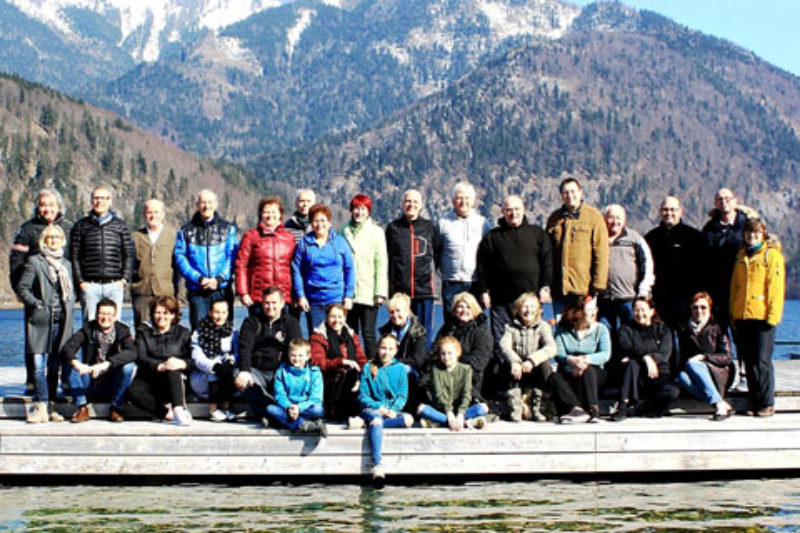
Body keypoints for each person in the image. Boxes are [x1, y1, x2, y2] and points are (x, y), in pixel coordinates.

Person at [10, 188, 72, 395]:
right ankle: (31, 383)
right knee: (34, 341)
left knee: (59, 344)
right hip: (35, 295)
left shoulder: (68, 228)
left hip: (61, 296)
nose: (47, 209)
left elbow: (73, 262)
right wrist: (24, 294)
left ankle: (58, 385)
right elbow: (16, 263)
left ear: (59, 207)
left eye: (51, 205)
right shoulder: (27, 229)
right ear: (38, 206)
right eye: (43, 204)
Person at [476, 195, 552, 350]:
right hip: (501, 300)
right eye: (509, 210)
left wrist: (546, 286)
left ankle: (531, 371)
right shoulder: (493, 237)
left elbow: (547, 262)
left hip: (531, 300)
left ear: (523, 210)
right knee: (502, 343)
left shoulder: (537, 234)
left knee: (532, 343)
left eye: (517, 209)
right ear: (503, 212)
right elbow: (483, 266)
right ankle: (503, 372)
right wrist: (484, 291)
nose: (513, 213)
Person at [17, 224, 75, 423]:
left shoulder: (66, 264)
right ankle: (41, 404)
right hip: (41, 321)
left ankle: (51, 406)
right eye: (49, 237)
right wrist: (36, 304)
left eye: (57, 237)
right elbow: (22, 287)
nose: (53, 240)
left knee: (54, 366)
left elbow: (70, 290)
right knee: (38, 365)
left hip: (62, 320)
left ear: (62, 240)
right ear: (44, 240)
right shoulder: (35, 262)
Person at [701, 188, 756, 390]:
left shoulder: (746, 226)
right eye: (719, 199)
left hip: (741, 292)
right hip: (717, 293)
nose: (724, 202)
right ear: (715, 203)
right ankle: (724, 376)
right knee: (720, 336)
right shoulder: (709, 230)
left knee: (743, 337)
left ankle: (745, 375)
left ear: (735, 201)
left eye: (727, 199)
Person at [730, 218, 785, 417]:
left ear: (762, 234)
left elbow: (776, 289)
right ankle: (755, 402)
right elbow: (735, 289)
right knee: (749, 361)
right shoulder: (741, 256)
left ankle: (767, 403)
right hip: (743, 316)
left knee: (762, 361)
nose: (751, 236)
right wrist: (734, 313)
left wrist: (773, 316)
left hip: (763, 317)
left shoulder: (771, 256)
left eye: (755, 233)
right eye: (747, 232)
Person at [60, 299, 137, 423]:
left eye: (109, 314)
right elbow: (67, 348)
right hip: (91, 380)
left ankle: (116, 407)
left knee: (129, 367)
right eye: (102, 313)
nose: (105, 318)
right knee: (69, 364)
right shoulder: (88, 329)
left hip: (112, 380)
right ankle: (82, 407)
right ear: (96, 315)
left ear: (115, 316)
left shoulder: (123, 331)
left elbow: (132, 352)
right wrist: (78, 364)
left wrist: (107, 364)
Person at [174, 189, 239, 330]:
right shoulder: (186, 230)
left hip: (222, 288)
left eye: (210, 202)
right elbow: (180, 258)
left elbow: (232, 256)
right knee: (199, 330)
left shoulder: (228, 229)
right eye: (203, 202)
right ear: (197, 205)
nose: (206, 206)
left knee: (225, 330)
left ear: (215, 204)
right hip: (197, 290)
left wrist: (219, 278)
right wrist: (199, 278)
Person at [235, 286, 302, 419]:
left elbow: (296, 350)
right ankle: (273, 409)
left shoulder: (291, 323)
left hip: (280, 372)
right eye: (266, 303)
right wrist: (244, 370)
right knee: (238, 375)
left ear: (282, 304)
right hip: (257, 372)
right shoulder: (251, 322)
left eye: (274, 303)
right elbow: (245, 347)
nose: (270, 307)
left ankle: (268, 413)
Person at [127, 296, 193, 425]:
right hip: (149, 377)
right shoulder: (143, 331)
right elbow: (141, 357)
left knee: (172, 366)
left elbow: (192, 360)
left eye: (165, 313)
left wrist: (182, 363)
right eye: (157, 312)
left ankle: (178, 409)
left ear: (173, 315)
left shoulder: (183, 333)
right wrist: (159, 366)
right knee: (133, 391)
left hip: (174, 382)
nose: (161, 316)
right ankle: (167, 414)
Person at [70, 185, 133, 321]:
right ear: (92, 200)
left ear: (110, 201)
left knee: (115, 327)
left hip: (114, 285)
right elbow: (74, 257)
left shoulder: (120, 226)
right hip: (90, 286)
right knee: (90, 326)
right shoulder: (80, 226)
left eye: (104, 198)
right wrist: (81, 282)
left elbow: (128, 255)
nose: (100, 202)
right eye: (97, 198)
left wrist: (124, 280)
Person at [610, 297, 679, 421]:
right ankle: (623, 406)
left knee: (672, 391)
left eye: (643, 310)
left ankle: (639, 409)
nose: (640, 314)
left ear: (652, 311)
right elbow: (625, 347)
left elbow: (664, 354)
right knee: (631, 363)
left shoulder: (662, 329)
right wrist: (645, 358)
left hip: (657, 375)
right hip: (636, 377)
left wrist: (649, 358)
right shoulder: (626, 329)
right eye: (636, 310)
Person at [385, 189, 439, 349]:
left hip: (424, 290)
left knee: (424, 333)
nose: (411, 205)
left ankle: (423, 369)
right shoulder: (393, 228)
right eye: (408, 201)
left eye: (415, 202)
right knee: (400, 333)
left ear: (421, 205)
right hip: (401, 291)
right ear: (402, 204)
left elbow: (438, 253)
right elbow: (387, 257)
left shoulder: (429, 227)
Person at [546, 178, 609, 313]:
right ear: (561, 196)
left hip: (584, 289)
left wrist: (597, 287)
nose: (570, 196)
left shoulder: (594, 217)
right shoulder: (554, 219)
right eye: (565, 192)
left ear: (581, 193)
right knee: (561, 331)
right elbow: (547, 254)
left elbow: (601, 253)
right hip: (559, 290)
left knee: (583, 330)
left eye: (573, 191)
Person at [645, 196, 708, 330]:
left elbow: (704, 269)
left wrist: (699, 295)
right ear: (660, 211)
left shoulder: (695, 237)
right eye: (666, 210)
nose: (669, 213)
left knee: (684, 336)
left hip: (686, 298)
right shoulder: (651, 238)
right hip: (660, 298)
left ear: (681, 212)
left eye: (673, 210)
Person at [291, 204, 355, 331]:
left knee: (337, 337)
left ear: (329, 222)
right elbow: (296, 270)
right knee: (317, 338)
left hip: (337, 298)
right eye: (315, 221)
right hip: (314, 300)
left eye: (323, 220)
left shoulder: (340, 242)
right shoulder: (304, 244)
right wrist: (301, 296)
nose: (319, 224)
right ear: (310, 223)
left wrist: (349, 295)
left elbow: (349, 269)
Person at [358, 334, 414, 481]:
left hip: (391, 411)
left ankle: (368, 425)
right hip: (372, 409)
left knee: (408, 419)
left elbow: (402, 395)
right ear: (378, 348)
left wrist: (394, 410)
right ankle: (377, 464)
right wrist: (380, 408)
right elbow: (363, 396)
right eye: (383, 348)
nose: (386, 352)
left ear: (396, 351)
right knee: (376, 420)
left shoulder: (400, 368)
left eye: (390, 349)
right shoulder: (369, 367)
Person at [550, 296, 611, 423]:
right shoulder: (562, 331)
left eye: (594, 309)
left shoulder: (601, 329)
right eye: (588, 310)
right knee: (554, 377)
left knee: (589, 371)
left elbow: (605, 354)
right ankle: (575, 409)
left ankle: (593, 409)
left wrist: (585, 360)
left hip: (594, 372)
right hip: (570, 370)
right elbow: (559, 354)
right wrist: (572, 363)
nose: (593, 313)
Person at [436, 182, 491, 321]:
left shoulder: (483, 223)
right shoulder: (443, 223)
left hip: (475, 282)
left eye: (467, 198)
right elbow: (437, 250)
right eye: (459, 198)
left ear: (473, 201)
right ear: (453, 200)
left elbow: (489, 254)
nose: (463, 202)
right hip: (451, 281)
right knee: (451, 323)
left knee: (476, 323)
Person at [341, 193, 388, 358]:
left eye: (362, 209)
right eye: (355, 209)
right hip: (348, 293)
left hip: (368, 291)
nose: (358, 213)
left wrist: (380, 292)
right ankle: (353, 369)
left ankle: (373, 368)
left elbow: (381, 263)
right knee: (350, 333)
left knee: (369, 334)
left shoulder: (376, 232)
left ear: (368, 211)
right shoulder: (344, 231)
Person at [598, 204, 654, 338]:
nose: (615, 222)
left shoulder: (635, 239)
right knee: (605, 334)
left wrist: (643, 291)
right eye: (611, 217)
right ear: (605, 218)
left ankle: (629, 359)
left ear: (624, 220)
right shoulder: (597, 238)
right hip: (603, 299)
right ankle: (610, 359)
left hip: (628, 299)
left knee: (630, 335)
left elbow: (647, 265)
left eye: (619, 218)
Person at [498, 293, 556, 422]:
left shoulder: (543, 326)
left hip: (534, 368)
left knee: (545, 366)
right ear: (518, 309)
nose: (528, 310)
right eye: (524, 307)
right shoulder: (510, 327)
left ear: (537, 310)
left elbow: (551, 347)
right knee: (506, 365)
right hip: (517, 370)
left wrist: (532, 360)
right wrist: (515, 361)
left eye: (532, 307)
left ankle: (538, 407)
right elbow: (504, 346)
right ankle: (515, 407)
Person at [677, 292, 735, 420]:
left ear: (709, 308)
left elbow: (728, 356)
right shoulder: (684, 329)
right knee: (681, 376)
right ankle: (719, 402)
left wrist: (704, 357)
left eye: (703, 307)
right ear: (690, 309)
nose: (699, 311)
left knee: (693, 363)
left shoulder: (718, 327)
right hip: (695, 373)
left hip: (719, 372)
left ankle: (718, 402)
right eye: (695, 307)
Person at [235, 196, 295, 316]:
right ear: (260, 215)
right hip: (258, 297)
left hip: (283, 297)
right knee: (258, 332)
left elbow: (295, 268)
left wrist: (296, 295)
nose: (270, 215)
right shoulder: (251, 236)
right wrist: (243, 292)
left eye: (273, 212)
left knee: (283, 333)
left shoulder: (289, 238)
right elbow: (241, 265)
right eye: (266, 212)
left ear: (280, 215)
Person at [431, 292, 492, 406]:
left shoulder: (481, 330)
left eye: (468, 307)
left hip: (470, 377)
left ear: (474, 309)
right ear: (455, 310)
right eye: (460, 307)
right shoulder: (448, 328)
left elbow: (479, 361)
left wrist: (453, 364)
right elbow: (435, 350)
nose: (464, 310)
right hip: (443, 372)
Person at [417, 336, 489, 430]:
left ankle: (441, 422)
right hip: (442, 410)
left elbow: (466, 393)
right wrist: (450, 415)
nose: (446, 357)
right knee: (421, 409)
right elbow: (439, 395)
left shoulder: (466, 369)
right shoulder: (436, 370)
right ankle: (466, 422)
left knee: (483, 408)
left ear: (458, 353)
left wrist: (460, 414)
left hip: (461, 410)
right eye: (443, 354)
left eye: (450, 353)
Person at [310, 303, 367, 421]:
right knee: (347, 372)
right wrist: (341, 362)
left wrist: (360, 377)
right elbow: (318, 362)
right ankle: (338, 412)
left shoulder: (352, 335)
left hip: (353, 377)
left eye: (340, 317)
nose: (337, 320)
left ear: (345, 318)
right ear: (326, 317)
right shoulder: (318, 336)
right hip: (330, 378)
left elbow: (361, 359)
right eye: (333, 317)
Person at [189, 299, 239, 422]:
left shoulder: (233, 332)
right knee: (215, 372)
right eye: (216, 312)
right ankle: (213, 409)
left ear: (228, 313)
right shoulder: (199, 332)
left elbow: (238, 352)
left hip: (226, 374)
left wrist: (232, 359)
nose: (220, 316)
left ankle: (227, 407)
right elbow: (196, 356)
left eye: (223, 312)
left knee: (227, 370)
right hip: (204, 376)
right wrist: (213, 366)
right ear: (210, 312)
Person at [131, 199, 178, 328]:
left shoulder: (173, 236)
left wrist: (176, 292)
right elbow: (130, 265)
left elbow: (177, 267)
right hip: (142, 292)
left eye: (156, 212)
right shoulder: (136, 237)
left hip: (165, 291)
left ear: (163, 214)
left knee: (166, 330)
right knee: (142, 330)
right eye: (149, 212)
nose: (153, 216)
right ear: (144, 214)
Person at [266, 339, 327, 436]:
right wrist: (289, 407)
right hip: (288, 408)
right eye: (293, 355)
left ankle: (282, 421)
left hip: (306, 408)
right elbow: (279, 395)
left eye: (300, 356)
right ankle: (304, 424)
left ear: (308, 356)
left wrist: (299, 408)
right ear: (288, 355)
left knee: (318, 410)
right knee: (270, 409)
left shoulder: (314, 372)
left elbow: (316, 398)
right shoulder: (281, 372)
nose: (297, 359)